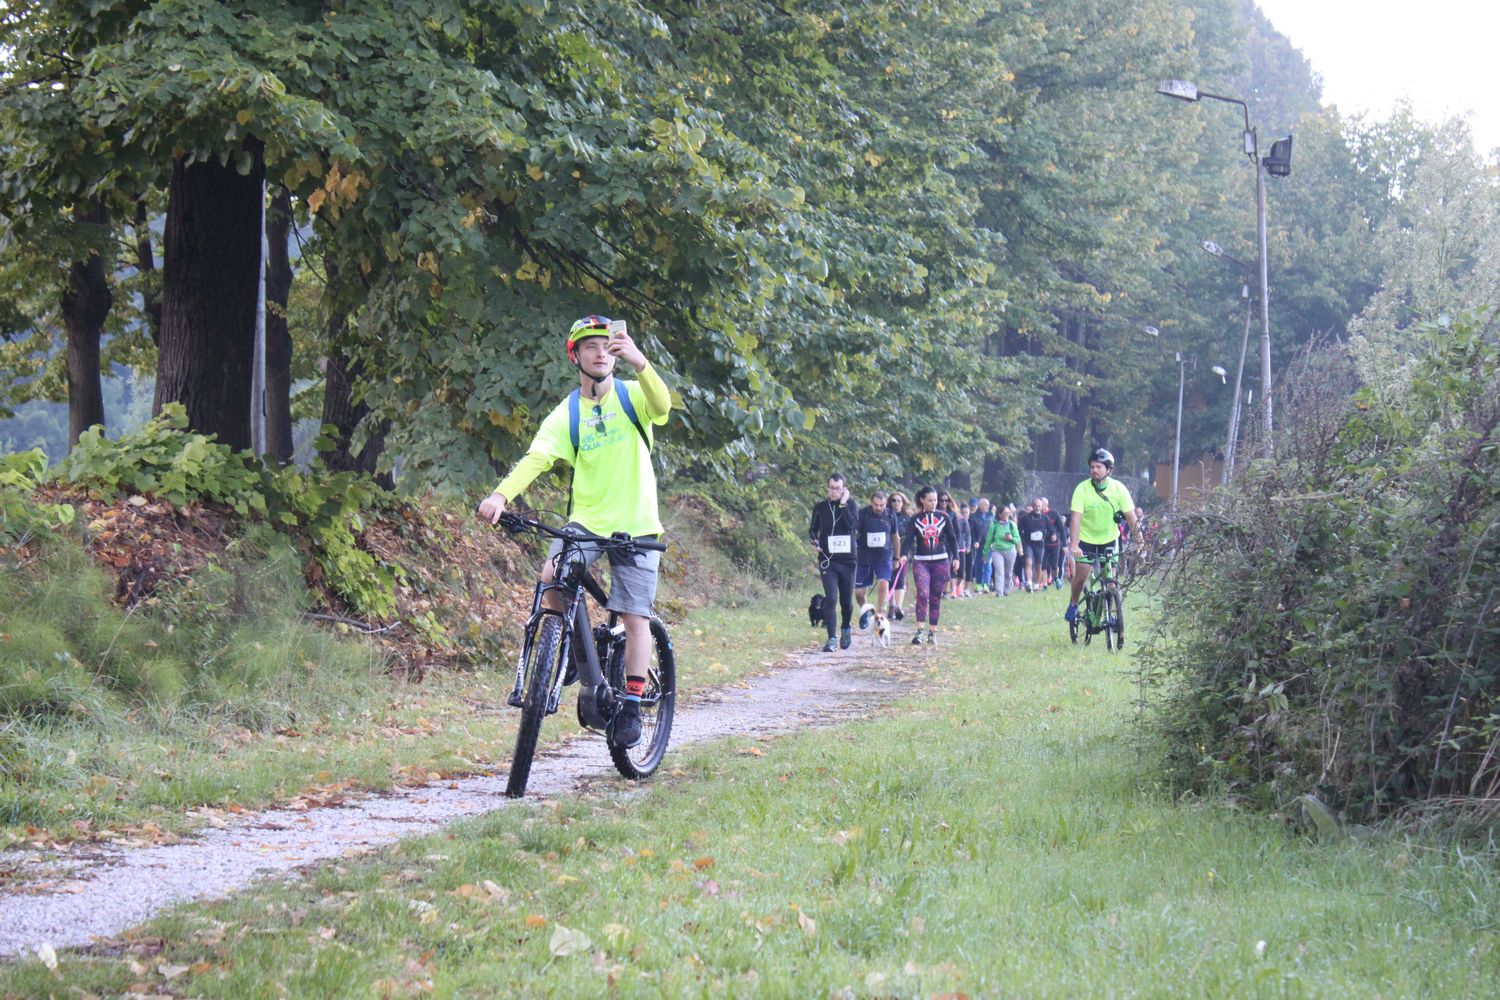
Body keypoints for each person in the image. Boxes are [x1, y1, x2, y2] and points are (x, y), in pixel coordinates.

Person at [477, 315, 672, 749]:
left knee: (635, 616)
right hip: (587, 521)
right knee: (551, 575)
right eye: (590, 347)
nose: (600, 353)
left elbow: (662, 407)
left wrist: (641, 362)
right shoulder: (567, 413)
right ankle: (563, 646)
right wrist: (500, 496)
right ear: (575, 356)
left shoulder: (632, 396)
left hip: (637, 525)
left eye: (606, 346)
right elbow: (537, 457)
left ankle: (632, 704)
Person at [1064, 448, 1142, 625]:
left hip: (1109, 540)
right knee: (1081, 575)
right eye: (1092, 467)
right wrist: (1074, 544)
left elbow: (1131, 517)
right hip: (1086, 540)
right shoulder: (1082, 489)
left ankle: (1110, 613)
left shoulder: (1119, 489)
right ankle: (1073, 604)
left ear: (1109, 469)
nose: (1094, 470)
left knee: (1111, 581)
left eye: (1099, 467)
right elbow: (1075, 519)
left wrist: (1140, 541)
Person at [901, 486, 960, 645]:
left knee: (935, 597)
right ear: (922, 500)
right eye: (930, 500)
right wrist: (903, 554)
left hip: (941, 561)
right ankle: (919, 631)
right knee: (923, 594)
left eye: (935, 500)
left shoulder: (944, 517)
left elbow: (953, 538)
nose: (934, 503)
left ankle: (932, 632)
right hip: (921, 561)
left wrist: (956, 558)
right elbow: (908, 539)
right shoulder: (915, 519)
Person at [809, 473, 861, 652]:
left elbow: (852, 526)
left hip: (847, 561)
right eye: (831, 488)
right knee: (831, 598)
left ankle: (846, 626)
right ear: (827, 488)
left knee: (846, 602)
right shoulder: (820, 507)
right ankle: (831, 638)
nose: (834, 491)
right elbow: (813, 530)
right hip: (828, 559)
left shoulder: (850, 505)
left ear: (844, 489)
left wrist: (843, 504)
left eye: (838, 488)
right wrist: (815, 542)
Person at [854, 490, 899, 631]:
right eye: (876, 505)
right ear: (871, 503)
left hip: (883, 556)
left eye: (882, 505)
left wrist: (896, 558)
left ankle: (881, 617)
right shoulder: (863, 514)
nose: (878, 508)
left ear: (886, 504)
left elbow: (895, 537)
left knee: (883, 584)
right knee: (859, 592)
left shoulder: (891, 515)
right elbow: (853, 533)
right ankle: (866, 610)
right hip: (864, 556)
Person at [984, 503, 1021, 595]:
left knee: (1008, 573)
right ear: (1000, 514)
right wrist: (985, 553)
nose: (1008, 515)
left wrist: (1011, 539)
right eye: (1005, 513)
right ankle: (999, 592)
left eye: (1008, 513)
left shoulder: (1012, 524)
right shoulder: (994, 524)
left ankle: (1006, 590)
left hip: (1010, 551)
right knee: (999, 571)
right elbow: (989, 539)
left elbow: (1017, 539)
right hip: (997, 551)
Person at [886, 492, 911, 620]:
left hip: (902, 553)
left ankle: (899, 607)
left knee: (900, 578)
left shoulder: (907, 519)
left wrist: (905, 553)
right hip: (886, 552)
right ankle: (891, 605)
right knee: (889, 578)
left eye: (899, 501)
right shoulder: (886, 516)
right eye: (894, 500)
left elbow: (910, 538)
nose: (896, 503)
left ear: (903, 503)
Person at [1017, 500, 1048, 592]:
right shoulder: (1025, 518)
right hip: (1028, 543)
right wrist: (1021, 541)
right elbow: (1019, 530)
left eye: (1039, 506)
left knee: (1038, 565)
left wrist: (1050, 535)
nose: (1037, 508)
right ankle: (1029, 583)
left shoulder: (1045, 518)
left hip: (1040, 544)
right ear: (1032, 506)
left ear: (1041, 507)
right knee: (1028, 562)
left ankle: (1037, 584)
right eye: (1035, 506)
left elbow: (1050, 529)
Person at [1039, 497, 1066, 591]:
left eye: (1041, 504)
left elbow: (1061, 529)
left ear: (1046, 504)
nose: (1039, 506)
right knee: (1043, 565)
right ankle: (1045, 586)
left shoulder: (1054, 513)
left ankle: (1056, 578)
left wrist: (1064, 545)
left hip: (1054, 544)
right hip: (1042, 544)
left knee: (1054, 565)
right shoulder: (1038, 515)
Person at [970, 498, 995, 593]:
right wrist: (974, 542)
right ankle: (978, 583)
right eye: (985, 505)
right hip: (978, 544)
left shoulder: (991, 516)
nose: (987, 507)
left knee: (988, 564)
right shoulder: (973, 517)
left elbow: (994, 529)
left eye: (988, 504)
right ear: (980, 506)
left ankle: (986, 584)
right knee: (978, 564)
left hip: (989, 544)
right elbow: (971, 532)